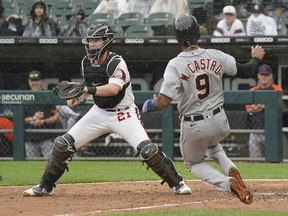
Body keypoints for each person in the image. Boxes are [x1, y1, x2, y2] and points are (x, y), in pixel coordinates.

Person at [23, 23, 191, 196]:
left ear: (106, 41)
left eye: (96, 40)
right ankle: (45, 186)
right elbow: (90, 86)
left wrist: (85, 90)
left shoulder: (116, 62)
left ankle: (177, 183)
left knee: (149, 151)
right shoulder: (86, 62)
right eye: (90, 41)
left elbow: (113, 89)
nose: (92, 44)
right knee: (62, 145)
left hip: (124, 114)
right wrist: (78, 97)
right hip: (99, 112)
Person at [142, 14, 266, 204]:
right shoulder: (216, 55)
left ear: (177, 38)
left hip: (195, 124)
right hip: (220, 121)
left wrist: (151, 104)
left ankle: (228, 183)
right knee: (213, 146)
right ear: (197, 34)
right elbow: (248, 70)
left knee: (193, 164)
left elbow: (163, 102)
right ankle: (231, 168)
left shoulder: (175, 64)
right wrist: (256, 58)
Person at [245, 64, 283, 158]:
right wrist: (264, 105)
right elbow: (249, 109)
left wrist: (257, 106)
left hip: (272, 130)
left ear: (271, 76)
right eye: (262, 74)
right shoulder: (253, 90)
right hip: (255, 130)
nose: (264, 77)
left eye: (266, 75)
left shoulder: (276, 89)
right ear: (258, 76)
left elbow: (276, 107)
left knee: (273, 158)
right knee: (255, 160)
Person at [23, 70, 59, 158]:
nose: (34, 83)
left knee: (50, 163)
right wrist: (32, 119)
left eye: (37, 80)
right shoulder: (24, 97)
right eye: (32, 80)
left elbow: (56, 117)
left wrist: (42, 121)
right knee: (32, 166)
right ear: (29, 82)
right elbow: (18, 119)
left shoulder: (48, 95)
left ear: (41, 82)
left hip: (46, 138)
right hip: (30, 138)